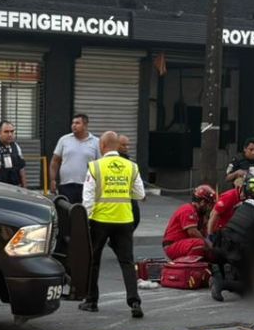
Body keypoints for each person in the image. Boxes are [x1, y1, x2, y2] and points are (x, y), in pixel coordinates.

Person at [80, 131, 146, 318]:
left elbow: (88, 198)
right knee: (127, 262)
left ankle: (91, 301)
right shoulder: (131, 166)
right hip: (124, 220)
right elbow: (140, 194)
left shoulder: (95, 166)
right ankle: (134, 302)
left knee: (93, 261)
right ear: (117, 146)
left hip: (100, 221)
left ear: (102, 146)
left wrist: (87, 220)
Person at [50, 114, 99, 202]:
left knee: (83, 212)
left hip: (87, 185)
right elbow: (55, 161)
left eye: (77, 123)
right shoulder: (64, 140)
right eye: (73, 123)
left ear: (85, 125)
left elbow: (100, 165)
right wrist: (52, 180)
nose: (74, 125)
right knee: (66, 212)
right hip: (66, 185)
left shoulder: (96, 142)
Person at [162, 185, 216, 261]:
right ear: (203, 202)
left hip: (183, 243)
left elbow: (205, 234)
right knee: (200, 244)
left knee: (206, 245)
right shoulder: (188, 209)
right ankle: (190, 267)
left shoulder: (200, 216)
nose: (210, 208)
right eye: (209, 205)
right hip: (172, 245)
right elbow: (192, 232)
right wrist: (209, 245)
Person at [0, 121, 28, 188]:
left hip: (16, 188)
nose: (10, 134)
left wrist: (25, 188)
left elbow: (21, 169)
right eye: (6, 132)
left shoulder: (16, 147)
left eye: (12, 131)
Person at [118, 134, 141, 233]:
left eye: (128, 145)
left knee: (136, 218)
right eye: (123, 145)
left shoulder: (129, 160)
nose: (126, 148)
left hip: (129, 193)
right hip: (115, 194)